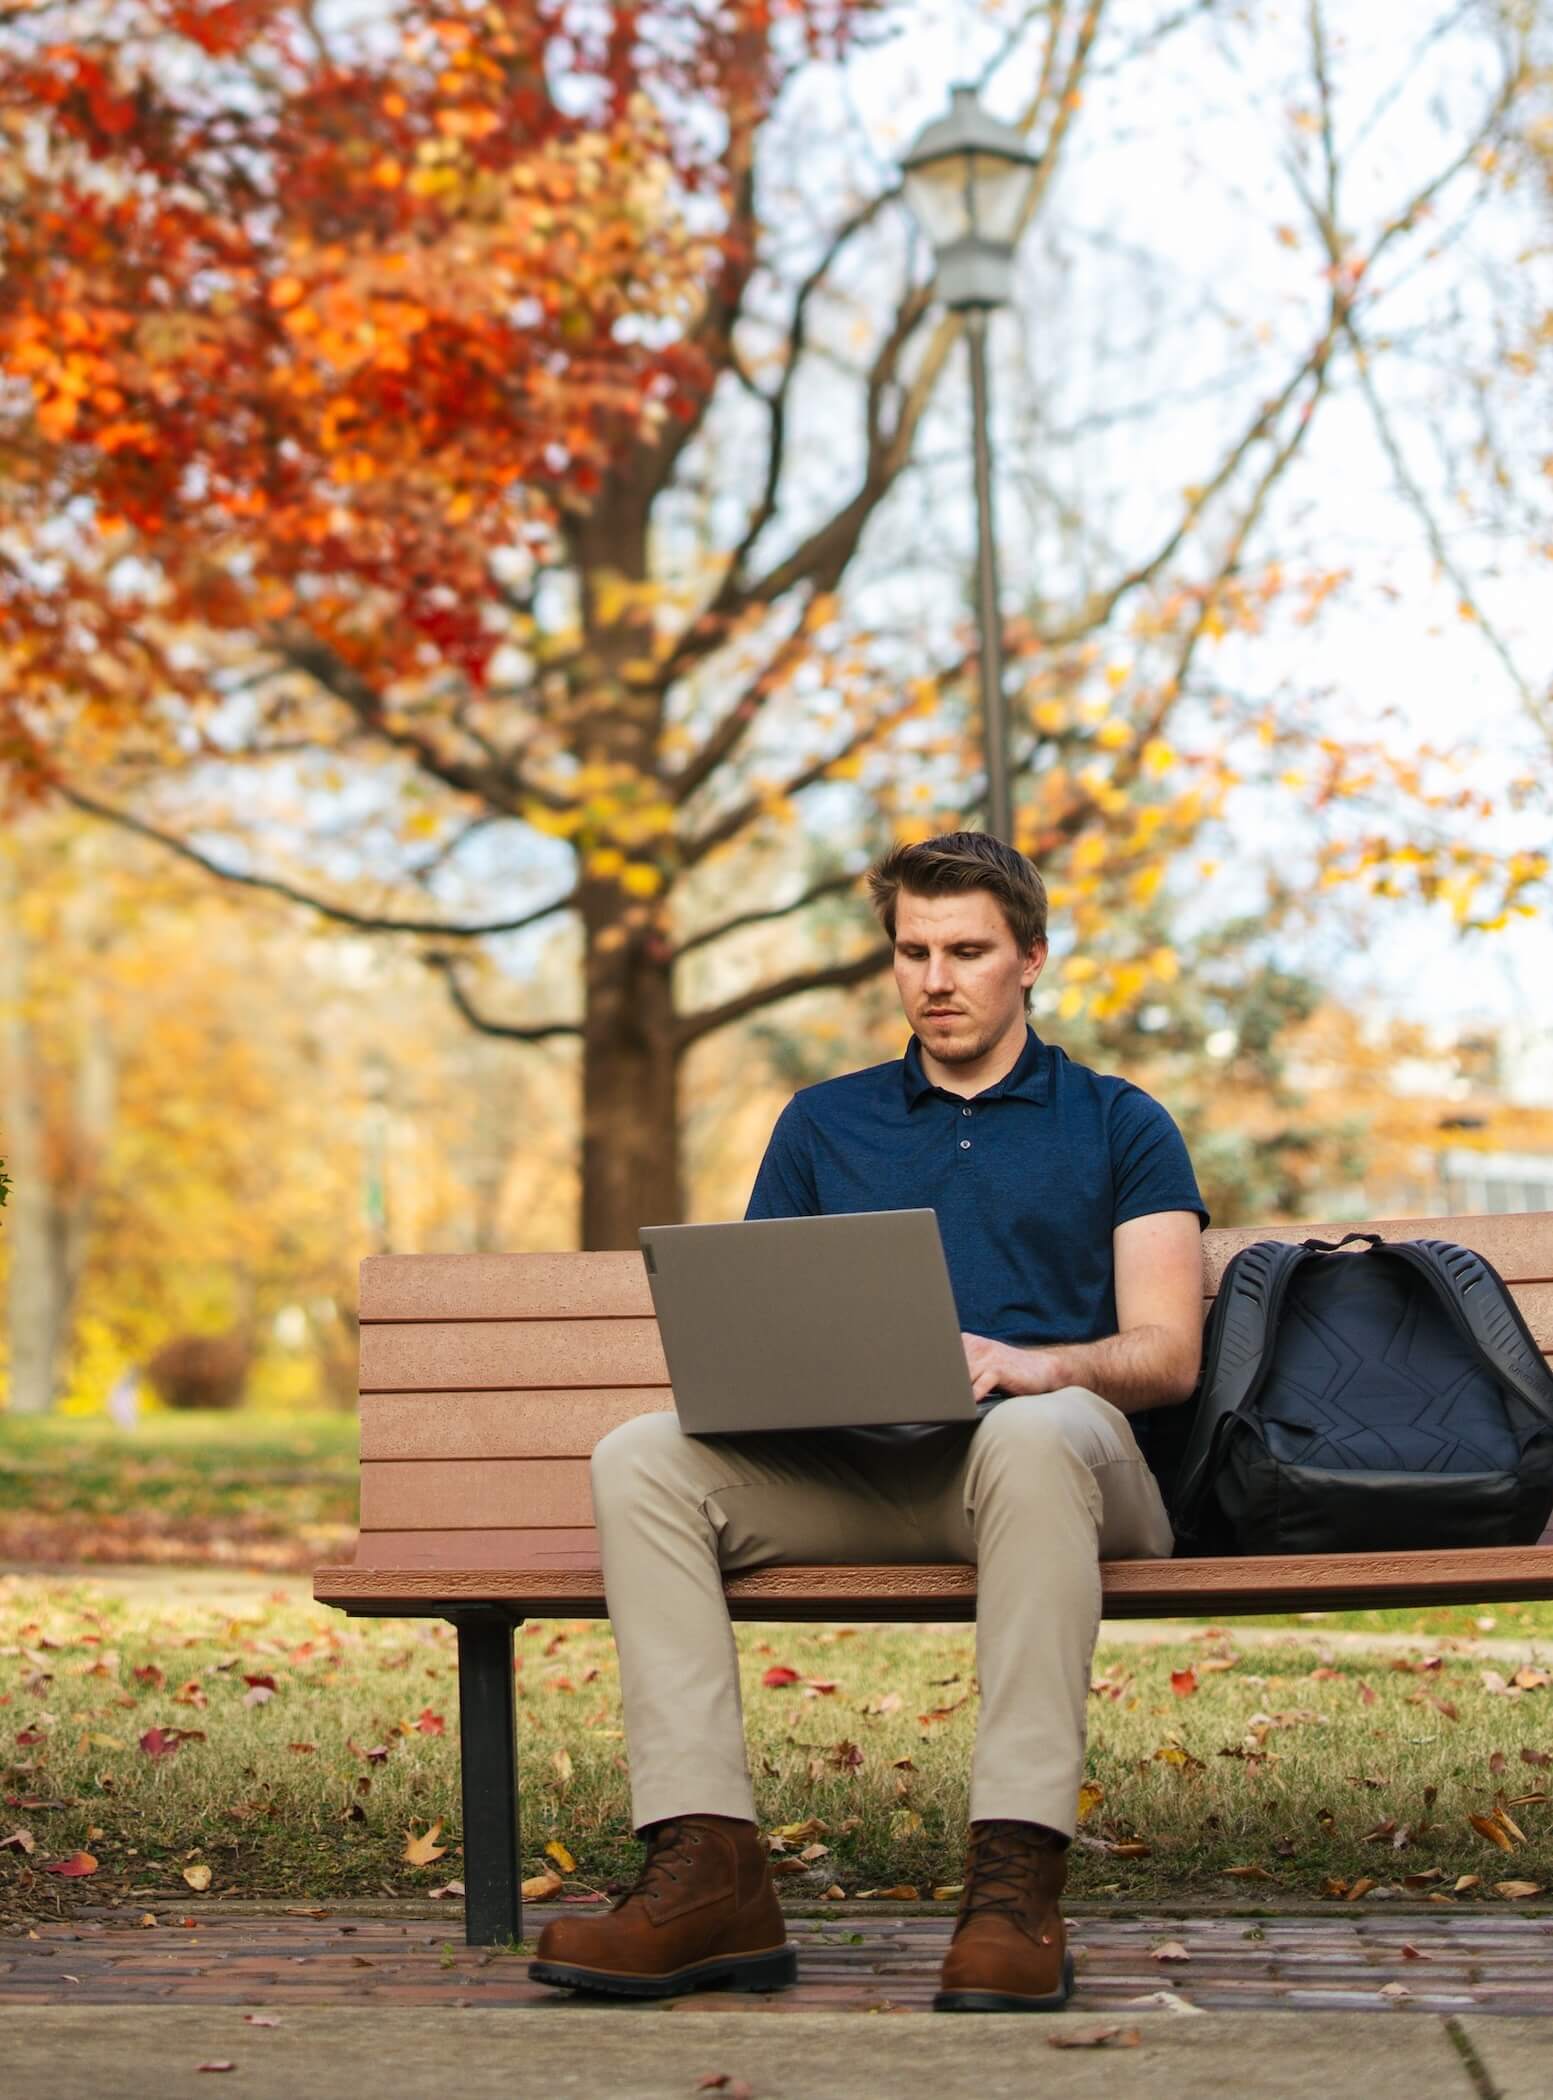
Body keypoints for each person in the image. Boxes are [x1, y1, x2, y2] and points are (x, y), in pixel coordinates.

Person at [531, 832, 1207, 2011]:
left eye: (967, 951)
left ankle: (1013, 1881)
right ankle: (708, 1875)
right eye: (912, 952)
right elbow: (755, 1330)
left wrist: (1034, 1365)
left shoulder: (1117, 1122)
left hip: (1063, 1472)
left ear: (1031, 958)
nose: (935, 979)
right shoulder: (820, 1127)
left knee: (1034, 1436)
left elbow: (1165, 1354)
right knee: (641, 1457)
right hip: (871, 1473)